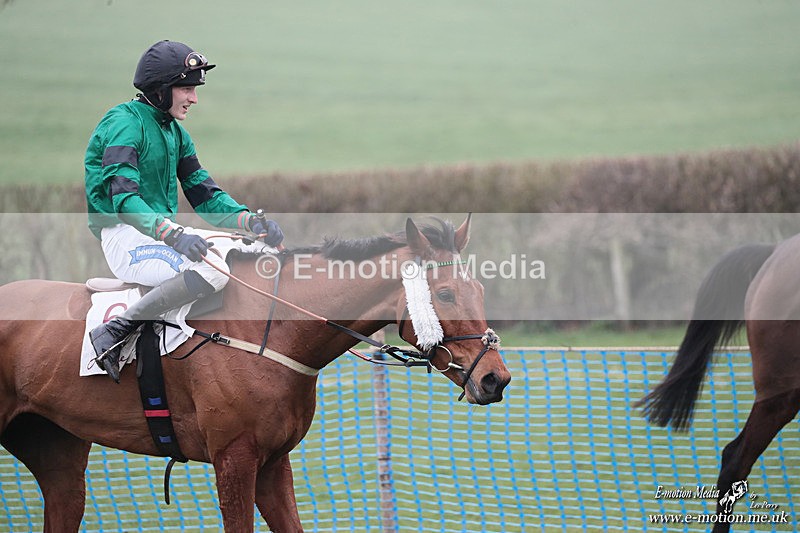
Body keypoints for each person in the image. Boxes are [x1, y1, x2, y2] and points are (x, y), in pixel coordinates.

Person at [84, 40, 284, 383]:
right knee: (214, 271)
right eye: (187, 89)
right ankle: (115, 330)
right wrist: (172, 234)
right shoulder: (123, 123)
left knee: (258, 250)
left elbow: (205, 196)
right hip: (124, 237)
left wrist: (251, 221)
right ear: (161, 90)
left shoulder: (176, 133)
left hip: (158, 234)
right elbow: (125, 201)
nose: (194, 98)